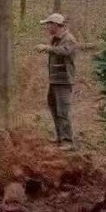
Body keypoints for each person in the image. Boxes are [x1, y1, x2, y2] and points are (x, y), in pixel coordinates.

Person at [37, 12, 77, 149]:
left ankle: (68, 141)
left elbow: (66, 51)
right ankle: (60, 137)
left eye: (48, 24)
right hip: (54, 81)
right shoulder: (55, 40)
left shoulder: (69, 39)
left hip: (64, 82)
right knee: (54, 108)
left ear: (55, 25)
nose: (47, 27)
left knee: (63, 111)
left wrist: (48, 48)